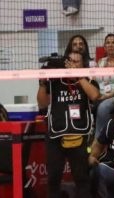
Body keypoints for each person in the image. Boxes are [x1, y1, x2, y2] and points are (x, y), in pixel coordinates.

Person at [38, 49, 99, 198]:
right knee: (53, 178)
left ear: (82, 64)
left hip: (78, 133)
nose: (71, 64)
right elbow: (42, 104)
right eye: (69, 61)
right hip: (55, 135)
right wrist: (42, 83)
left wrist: (77, 75)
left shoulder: (87, 79)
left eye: (75, 62)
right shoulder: (54, 81)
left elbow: (95, 95)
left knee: (81, 178)